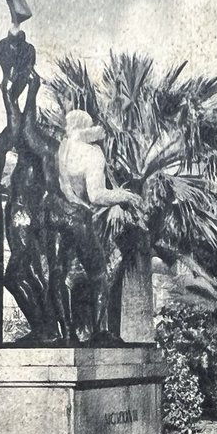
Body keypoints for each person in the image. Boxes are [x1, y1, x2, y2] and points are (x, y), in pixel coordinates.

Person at [45, 109, 140, 344]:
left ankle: (66, 332)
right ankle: (100, 332)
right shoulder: (91, 153)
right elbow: (96, 195)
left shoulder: (60, 149)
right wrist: (121, 196)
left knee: (58, 273)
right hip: (78, 216)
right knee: (99, 274)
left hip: (55, 214)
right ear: (87, 128)